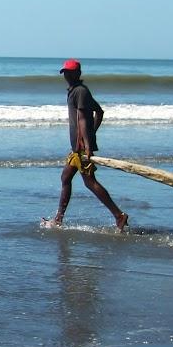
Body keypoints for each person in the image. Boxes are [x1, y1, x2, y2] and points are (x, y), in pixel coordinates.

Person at [44, 58, 129, 231]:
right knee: (66, 178)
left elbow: (83, 118)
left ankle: (119, 215)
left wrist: (88, 143)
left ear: (78, 74)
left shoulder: (80, 92)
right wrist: (91, 133)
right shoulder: (76, 91)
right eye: (65, 72)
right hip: (77, 148)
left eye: (70, 72)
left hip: (82, 149)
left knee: (89, 182)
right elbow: (99, 111)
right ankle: (59, 219)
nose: (67, 75)